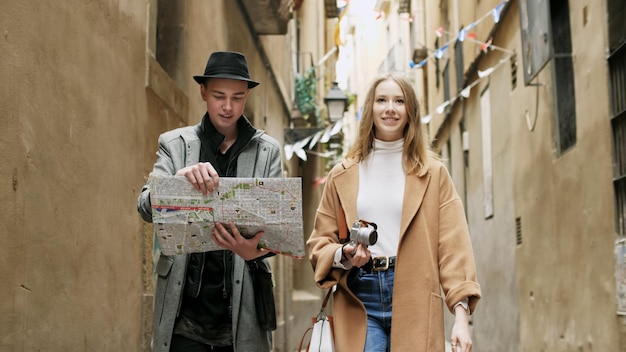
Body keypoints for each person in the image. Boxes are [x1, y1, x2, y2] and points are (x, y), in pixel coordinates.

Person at [307, 75, 482, 352]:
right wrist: (345, 255)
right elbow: (319, 244)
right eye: (382, 100)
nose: (390, 108)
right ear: (370, 109)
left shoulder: (434, 174)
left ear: (410, 110)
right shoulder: (342, 174)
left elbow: (453, 246)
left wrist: (461, 319)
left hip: (416, 292)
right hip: (359, 295)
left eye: (399, 101)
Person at [137, 51, 283, 352]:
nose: (228, 107)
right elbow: (145, 207)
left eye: (237, 98)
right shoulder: (174, 145)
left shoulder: (268, 152)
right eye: (219, 96)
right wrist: (178, 180)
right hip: (183, 315)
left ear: (246, 97)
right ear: (203, 93)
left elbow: (280, 235)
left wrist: (252, 250)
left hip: (244, 314)